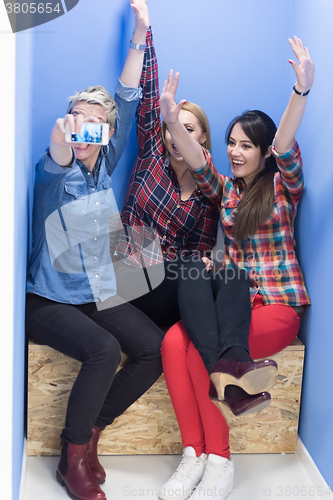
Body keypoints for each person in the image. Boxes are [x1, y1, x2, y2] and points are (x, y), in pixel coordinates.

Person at [158, 36, 314, 500]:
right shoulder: (226, 190)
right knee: (171, 341)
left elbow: (285, 141)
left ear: (264, 153)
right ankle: (193, 456)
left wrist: (300, 92)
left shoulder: (285, 187)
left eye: (247, 145)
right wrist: (170, 118)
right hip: (236, 304)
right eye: (231, 143)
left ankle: (219, 462)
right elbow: (192, 153)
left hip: (278, 305)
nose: (236, 151)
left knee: (192, 355)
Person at [25, 3, 164, 500]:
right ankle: (71, 458)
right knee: (103, 351)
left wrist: (141, 31)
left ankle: (91, 435)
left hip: (95, 291)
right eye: (76, 119)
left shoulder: (105, 163)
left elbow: (126, 96)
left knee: (154, 349)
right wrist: (63, 137)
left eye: (94, 125)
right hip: (47, 300)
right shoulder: (53, 172)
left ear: (105, 134)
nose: (84, 130)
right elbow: (60, 153)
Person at [119, 16, 220, 329]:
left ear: (202, 137)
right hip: (128, 277)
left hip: (169, 287)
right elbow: (148, 92)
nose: (178, 138)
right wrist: (144, 28)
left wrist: (201, 262)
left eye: (188, 130)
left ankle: (219, 363)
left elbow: (198, 251)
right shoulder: (151, 156)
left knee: (220, 281)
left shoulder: (208, 193)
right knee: (191, 275)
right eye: (173, 129)